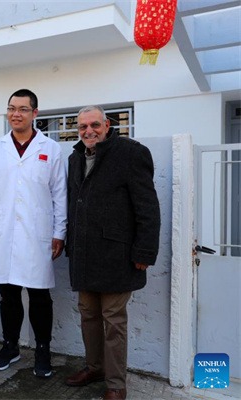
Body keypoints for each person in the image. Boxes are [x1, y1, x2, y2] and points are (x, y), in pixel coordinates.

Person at [65, 105, 160, 400]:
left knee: (114, 319)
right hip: (84, 253)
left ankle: (116, 384)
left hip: (118, 255)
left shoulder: (131, 153)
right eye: (82, 127)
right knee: (87, 315)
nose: (88, 131)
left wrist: (144, 250)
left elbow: (147, 206)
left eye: (94, 125)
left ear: (107, 125)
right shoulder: (75, 157)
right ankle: (94, 368)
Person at [0, 89, 67, 378]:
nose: (16, 114)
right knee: (8, 295)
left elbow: (60, 194)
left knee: (40, 296)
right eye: (12, 108)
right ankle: (11, 346)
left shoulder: (51, 149)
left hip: (37, 233)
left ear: (35, 114)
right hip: (3, 233)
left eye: (23, 109)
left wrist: (59, 232)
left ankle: (43, 350)